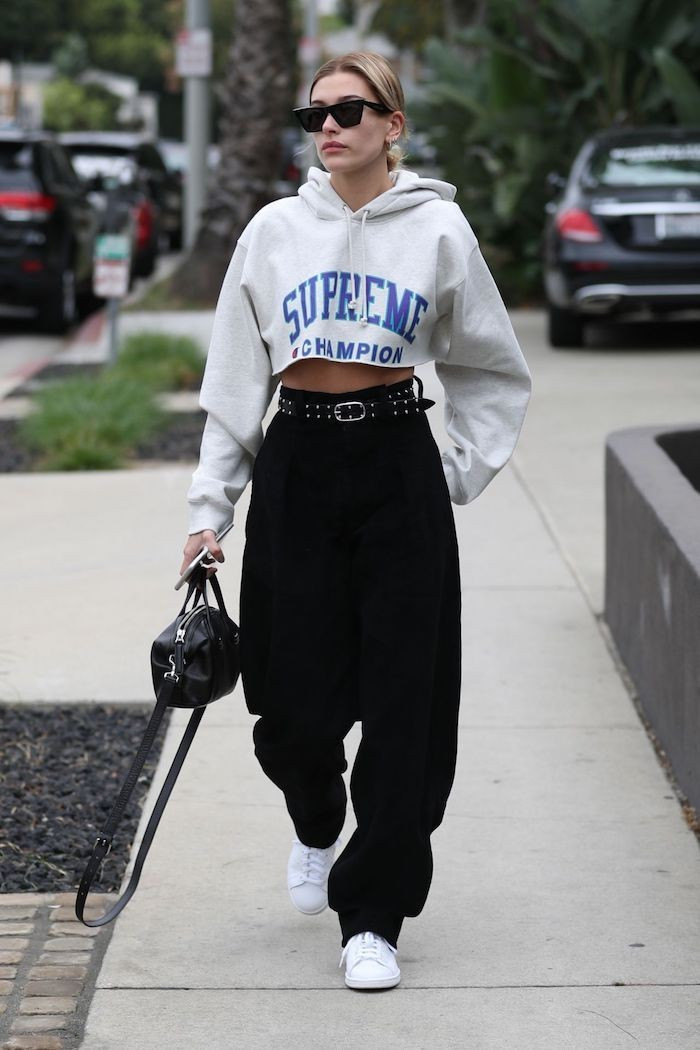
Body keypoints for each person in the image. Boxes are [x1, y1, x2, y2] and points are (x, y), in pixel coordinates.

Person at [181, 50, 532, 991]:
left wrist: (453, 471)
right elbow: (234, 384)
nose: (328, 127)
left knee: (407, 698)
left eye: (349, 110)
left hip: (395, 460)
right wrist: (210, 512)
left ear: (393, 124)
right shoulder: (273, 231)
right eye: (316, 115)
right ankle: (315, 817)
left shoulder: (439, 229)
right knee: (289, 704)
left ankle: (373, 914)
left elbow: (491, 366)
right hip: (297, 461)